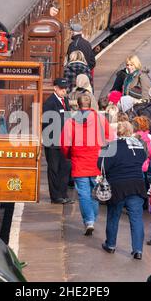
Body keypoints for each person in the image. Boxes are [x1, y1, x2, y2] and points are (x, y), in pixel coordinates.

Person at [61, 94, 112, 235]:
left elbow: (65, 144)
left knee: (84, 194)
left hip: (79, 162)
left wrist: (69, 155)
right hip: (96, 163)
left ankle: (89, 221)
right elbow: (110, 137)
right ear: (91, 105)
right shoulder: (101, 120)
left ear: (77, 105)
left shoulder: (71, 122)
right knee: (95, 192)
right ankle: (92, 218)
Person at [99, 121, 148, 259]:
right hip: (137, 184)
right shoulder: (138, 146)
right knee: (136, 218)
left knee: (114, 216)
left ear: (118, 132)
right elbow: (143, 158)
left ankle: (111, 245)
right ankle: (138, 249)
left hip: (117, 185)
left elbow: (101, 165)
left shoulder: (112, 147)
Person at [42, 78, 74, 204]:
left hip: (65, 141)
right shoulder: (50, 103)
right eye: (62, 88)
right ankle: (55, 196)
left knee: (65, 168)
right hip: (54, 143)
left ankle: (63, 194)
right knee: (54, 169)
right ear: (55, 88)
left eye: (65, 88)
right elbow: (46, 122)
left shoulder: (65, 100)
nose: (64, 90)